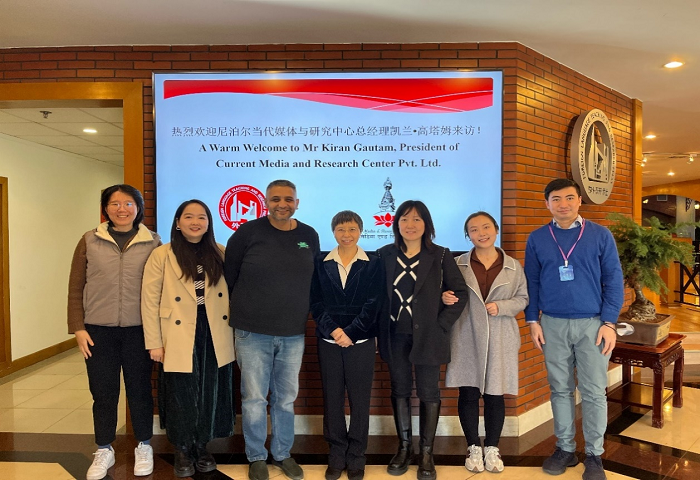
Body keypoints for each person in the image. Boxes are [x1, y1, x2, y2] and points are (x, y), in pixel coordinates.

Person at [524, 179, 624, 480]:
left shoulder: (600, 235)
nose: (563, 204)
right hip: (551, 324)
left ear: (579, 201)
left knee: (593, 392)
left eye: (569, 198)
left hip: (593, 324)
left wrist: (609, 323)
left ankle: (594, 455)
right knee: (560, 389)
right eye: (556, 199)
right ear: (547, 204)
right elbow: (532, 281)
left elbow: (614, 280)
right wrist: (532, 320)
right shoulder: (537, 238)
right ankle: (565, 448)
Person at [224, 180, 320, 480]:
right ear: (265, 202)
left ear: (297, 203)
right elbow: (229, 276)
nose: (282, 204)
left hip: (293, 332)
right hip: (252, 332)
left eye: (288, 199)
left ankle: (282, 453)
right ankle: (256, 456)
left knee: (285, 398)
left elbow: (315, 279)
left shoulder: (309, 235)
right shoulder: (248, 233)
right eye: (275, 199)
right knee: (254, 399)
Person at [67, 184, 160, 480]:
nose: (122, 209)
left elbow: (161, 290)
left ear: (138, 207)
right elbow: (75, 287)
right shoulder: (89, 240)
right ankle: (104, 448)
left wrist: (159, 332)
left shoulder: (153, 242)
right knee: (103, 392)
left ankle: (144, 445)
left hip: (140, 330)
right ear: (105, 208)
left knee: (140, 391)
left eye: (128, 203)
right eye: (115, 203)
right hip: (98, 331)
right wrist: (78, 327)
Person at [141, 199, 235, 477]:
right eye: (189, 217)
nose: (196, 222)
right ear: (178, 223)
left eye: (202, 217)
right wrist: (154, 342)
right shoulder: (162, 254)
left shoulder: (220, 252)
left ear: (209, 223)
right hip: (178, 331)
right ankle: (182, 448)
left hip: (214, 329)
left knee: (209, 390)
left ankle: (202, 446)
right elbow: (149, 300)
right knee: (181, 392)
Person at [377, 200, 468, 480]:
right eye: (405, 219)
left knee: (429, 393)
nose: (411, 225)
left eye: (417, 219)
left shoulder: (440, 255)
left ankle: (427, 453)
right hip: (394, 336)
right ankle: (404, 448)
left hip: (429, 336)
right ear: (397, 224)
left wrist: (441, 324)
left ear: (426, 224)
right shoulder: (384, 254)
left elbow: (460, 293)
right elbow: (376, 295)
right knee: (400, 390)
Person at [442, 211, 528, 474]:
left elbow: (523, 298)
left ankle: (492, 447)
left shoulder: (513, 266)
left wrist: (502, 306)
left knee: (494, 393)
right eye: (474, 229)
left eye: (486, 227)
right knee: (468, 391)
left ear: (496, 229)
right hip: (466, 334)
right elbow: (442, 291)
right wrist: (444, 297)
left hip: (500, 335)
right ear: (468, 235)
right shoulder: (457, 264)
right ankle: (473, 447)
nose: (481, 233)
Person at [310, 211, 384, 480]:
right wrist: (334, 330)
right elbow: (316, 302)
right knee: (332, 399)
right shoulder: (321, 262)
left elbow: (374, 303)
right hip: (328, 340)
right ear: (333, 232)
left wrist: (351, 332)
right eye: (341, 229)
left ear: (360, 231)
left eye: (352, 229)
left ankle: (356, 456)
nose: (347, 234)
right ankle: (336, 454)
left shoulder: (373, 263)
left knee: (359, 400)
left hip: (361, 341)